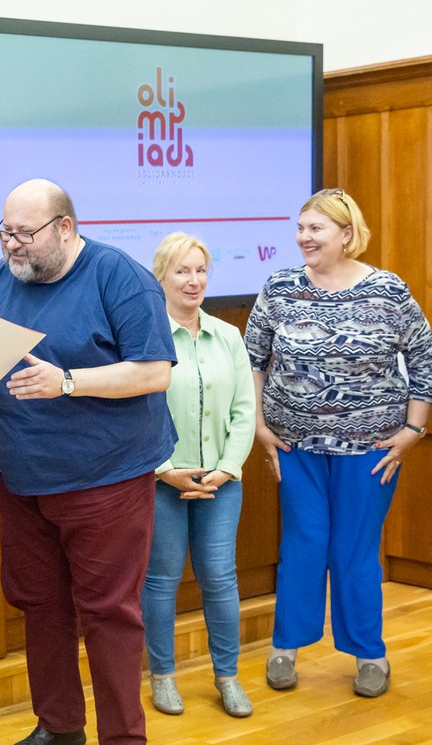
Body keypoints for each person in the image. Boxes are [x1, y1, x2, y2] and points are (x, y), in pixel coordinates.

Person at [0, 179, 175, 745]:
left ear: (65, 228)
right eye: (4, 232)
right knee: (39, 604)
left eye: (24, 234)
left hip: (105, 476)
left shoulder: (120, 277)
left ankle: (128, 742)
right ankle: (58, 723)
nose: (11, 245)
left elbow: (154, 372)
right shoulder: (1, 279)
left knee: (109, 610)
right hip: (22, 476)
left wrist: (68, 382)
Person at [244, 188, 432, 698]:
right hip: (295, 446)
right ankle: (285, 647)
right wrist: (259, 425)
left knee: (354, 549)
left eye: (316, 229)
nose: (303, 237)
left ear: (346, 234)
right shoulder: (280, 287)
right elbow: (253, 359)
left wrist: (413, 430)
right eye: (301, 228)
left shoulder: (388, 290)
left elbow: (424, 360)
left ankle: (370, 655)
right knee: (304, 543)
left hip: (371, 449)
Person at [141, 233, 256, 719]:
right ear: (161, 278)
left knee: (220, 578)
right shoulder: (145, 337)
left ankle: (227, 677)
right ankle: (163, 677)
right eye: (182, 271)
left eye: (201, 270)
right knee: (161, 581)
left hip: (220, 484)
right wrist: (166, 471)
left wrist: (227, 469)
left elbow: (245, 409)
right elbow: (136, 413)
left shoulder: (228, 336)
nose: (194, 281)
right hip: (161, 482)